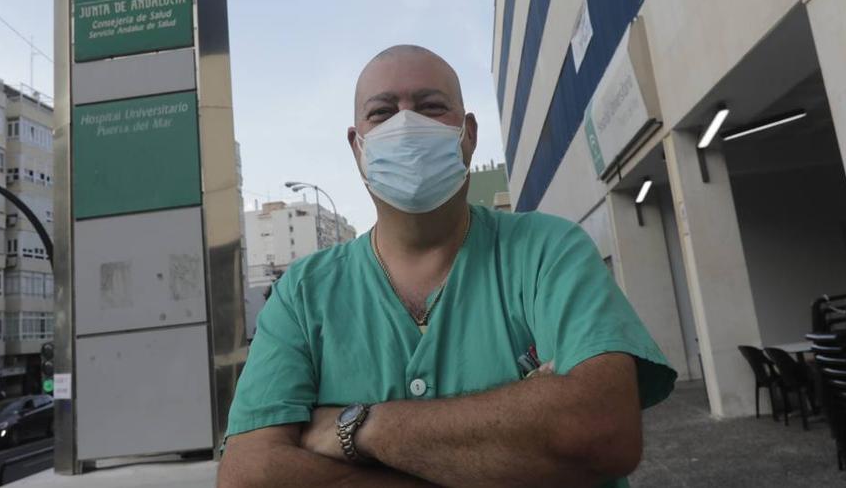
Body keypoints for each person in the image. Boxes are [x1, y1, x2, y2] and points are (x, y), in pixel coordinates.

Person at [219, 45, 676, 487]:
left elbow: (602, 430)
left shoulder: (548, 250)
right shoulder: (303, 293)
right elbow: (249, 476)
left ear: (469, 134)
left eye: (430, 106)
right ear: (357, 145)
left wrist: (362, 427)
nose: (406, 124)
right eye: (382, 112)